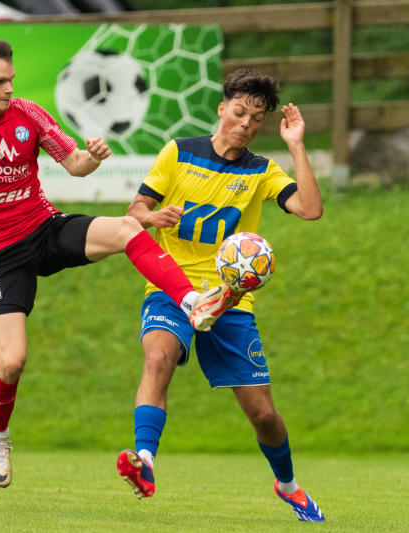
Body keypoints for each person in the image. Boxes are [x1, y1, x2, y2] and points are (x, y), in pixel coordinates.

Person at [0, 36, 238, 489]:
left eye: (11, 79)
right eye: (0, 81)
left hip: (43, 226)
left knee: (129, 229)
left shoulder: (28, 113)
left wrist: (94, 157)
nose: (9, 88)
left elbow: (75, 165)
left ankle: (192, 302)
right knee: (12, 362)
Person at [116, 69, 325, 522]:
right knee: (158, 358)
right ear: (221, 108)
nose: (246, 124)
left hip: (230, 301)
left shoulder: (261, 171)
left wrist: (296, 145)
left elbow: (310, 209)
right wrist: (152, 218)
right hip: (172, 288)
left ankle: (288, 486)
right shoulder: (179, 152)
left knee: (263, 415)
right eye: (239, 112)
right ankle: (145, 461)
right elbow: (136, 209)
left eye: (256, 118)